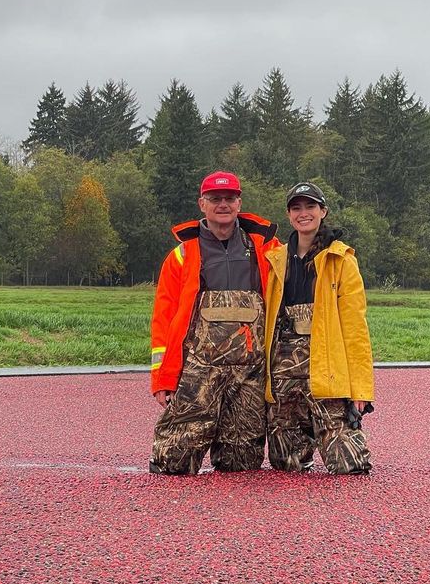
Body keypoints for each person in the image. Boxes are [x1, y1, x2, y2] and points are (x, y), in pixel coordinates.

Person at [149, 171, 280, 475]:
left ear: (239, 204)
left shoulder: (266, 248)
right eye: (215, 198)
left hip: (249, 374)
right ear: (202, 204)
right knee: (173, 463)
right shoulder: (182, 255)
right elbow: (164, 318)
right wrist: (162, 379)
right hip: (198, 372)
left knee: (242, 464)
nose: (223, 204)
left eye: (229, 198)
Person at [263, 182, 373, 475]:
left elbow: (355, 328)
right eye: (296, 208)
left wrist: (361, 388)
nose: (304, 213)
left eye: (310, 206)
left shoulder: (341, 260)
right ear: (289, 215)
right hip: (283, 374)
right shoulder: (275, 260)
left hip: (326, 370)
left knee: (350, 466)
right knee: (286, 466)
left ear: (323, 211)